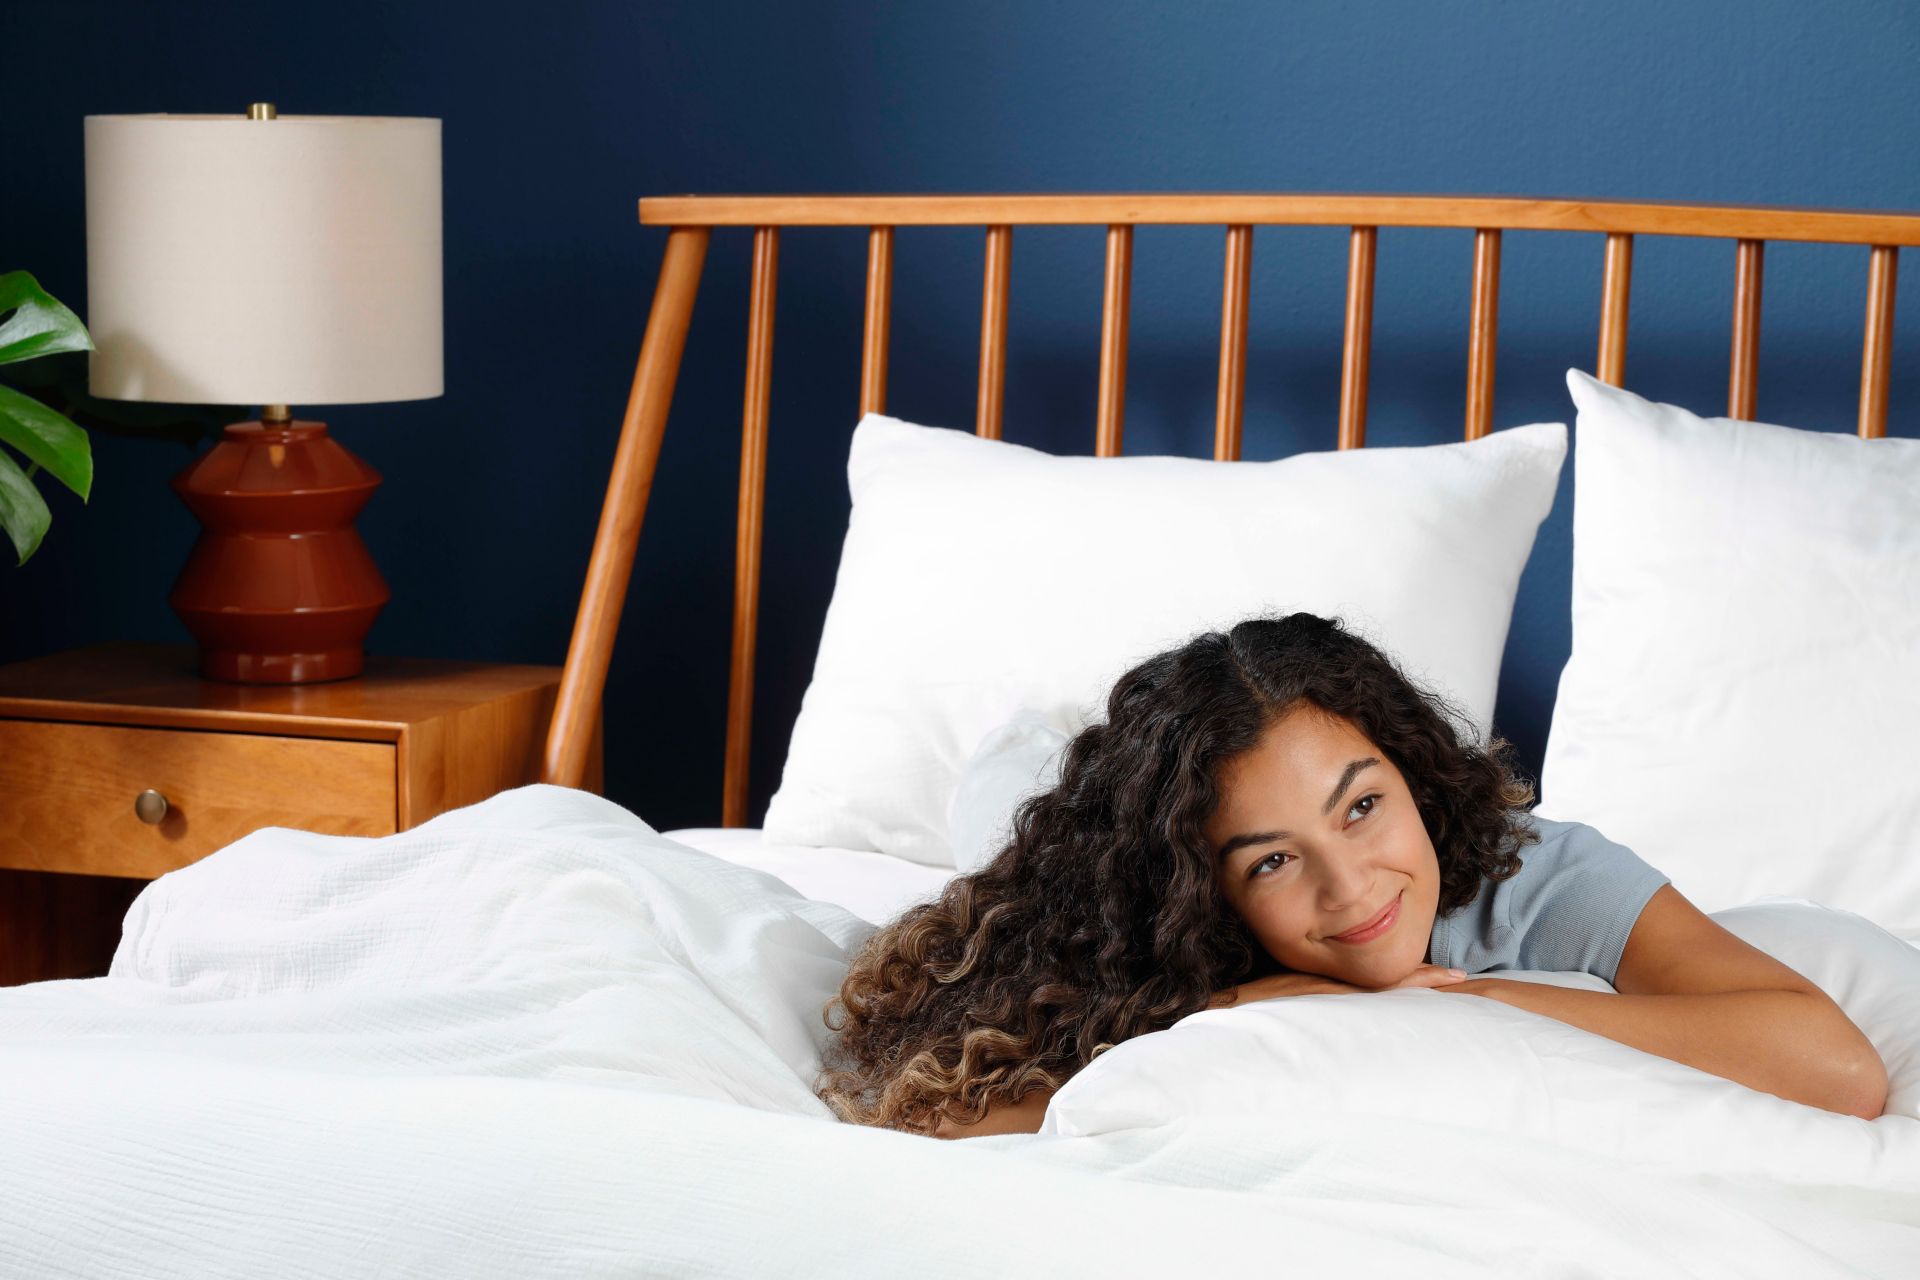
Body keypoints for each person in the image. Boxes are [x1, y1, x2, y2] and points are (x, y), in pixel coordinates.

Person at [813, 614, 1888, 1138]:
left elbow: (1840, 1070)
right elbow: (928, 1113)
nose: (1354, 888)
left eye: (1363, 803)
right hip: (1053, 819)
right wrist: (1241, 1004)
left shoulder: (1537, 876)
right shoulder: (1138, 928)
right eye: (1273, 859)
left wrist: (1456, 1006)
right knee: (1014, 793)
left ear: (1413, 772)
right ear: (1205, 886)